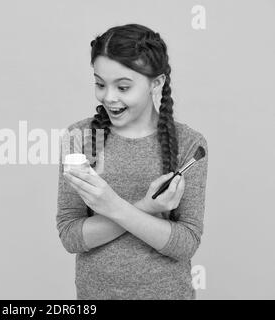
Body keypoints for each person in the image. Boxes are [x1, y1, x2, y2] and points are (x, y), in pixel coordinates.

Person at [56, 23, 209, 300]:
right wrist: (145, 208)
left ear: (157, 83)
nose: (109, 97)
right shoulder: (78, 138)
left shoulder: (189, 144)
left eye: (123, 87)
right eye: (100, 84)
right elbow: (71, 236)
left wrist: (113, 206)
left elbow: (185, 244)